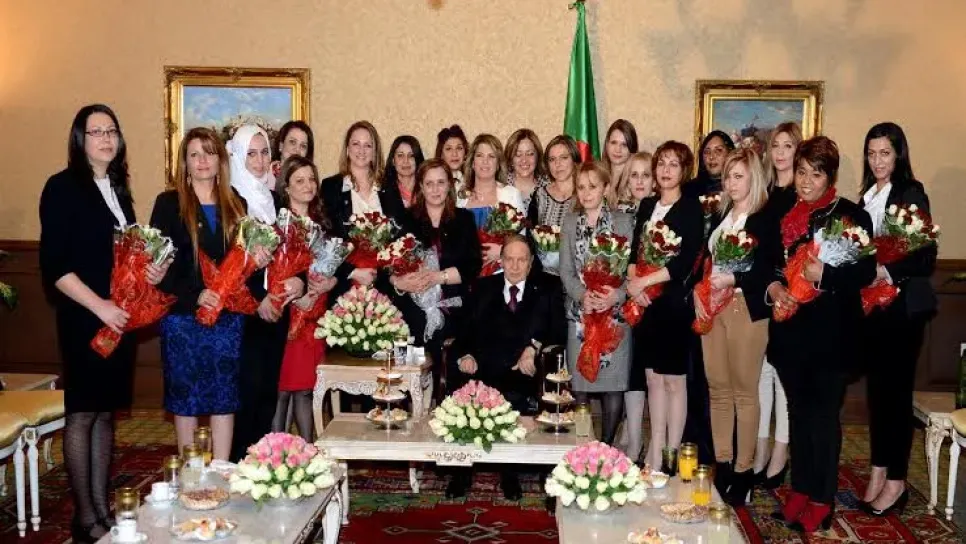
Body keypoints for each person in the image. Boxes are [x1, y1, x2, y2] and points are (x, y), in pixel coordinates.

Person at [40, 104, 167, 543]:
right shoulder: (62, 187)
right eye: (96, 132)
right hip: (85, 318)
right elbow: (56, 267)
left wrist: (151, 272)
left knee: (105, 414)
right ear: (80, 140)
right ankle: (84, 518)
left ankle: (100, 509)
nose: (106, 138)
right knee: (82, 414)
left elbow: (127, 256)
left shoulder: (118, 189)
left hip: (120, 318)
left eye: (111, 130)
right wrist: (101, 307)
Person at [766, 136, 876, 532]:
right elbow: (771, 265)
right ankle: (799, 489)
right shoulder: (785, 212)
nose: (806, 181)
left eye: (816, 174)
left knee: (823, 417)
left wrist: (824, 274)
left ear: (830, 177)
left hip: (832, 337)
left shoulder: (850, 216)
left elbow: (865, 272)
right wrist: (774, 288)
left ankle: (821, 498)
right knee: (798, 413)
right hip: (792, 334)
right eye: (801, 172)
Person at [151, 127, 256, 462]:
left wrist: (259, 258)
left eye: (209, 153)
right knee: (186, 401)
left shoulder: (236, 202)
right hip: (183, 318)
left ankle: (222, 469)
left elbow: (243, 261)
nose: (202, 161)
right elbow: (159, 267)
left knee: (225, 399)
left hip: (227, 317)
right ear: (184, 162)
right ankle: (190, 473)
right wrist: (195, 295)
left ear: (220, 159)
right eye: (194, 154)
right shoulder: (168, 204)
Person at [858, 122, 937, 516]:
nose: (878, 161)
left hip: (903, 310)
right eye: (872, 154)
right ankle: (878, 471)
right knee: (878, 395)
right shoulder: (866, 197)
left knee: (896, 396)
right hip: (873, 309)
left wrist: (886, 271)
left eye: (885, 153)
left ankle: (897, 481)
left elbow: (924, 255)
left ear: (898, 155)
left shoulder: (911, 192)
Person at [447, 234, 565, 499]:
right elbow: (462, 330)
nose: (514, 266)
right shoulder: (483, 287)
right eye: (509, 259)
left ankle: (509, 472)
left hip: (523, 371)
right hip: (483, 368)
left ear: (531, 262)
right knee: (462, 384)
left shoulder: (548, 287)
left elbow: (558, 331)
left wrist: (533, 348)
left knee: (514, 392)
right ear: (500, 261)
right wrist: (465, 354)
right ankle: (460, 470)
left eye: (521, 260)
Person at [696, 148, 773, 505]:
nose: (731, 182)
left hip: (744, 308)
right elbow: (705, 261)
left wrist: (734, 279)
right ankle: (723, 464)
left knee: (744, 392)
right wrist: (699, 291)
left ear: (753, 178)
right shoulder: (722, 215)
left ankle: (744, 471)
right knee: (718, 389)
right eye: (728, 176)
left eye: (739, 176)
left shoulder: (763, 218)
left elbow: (768, 270)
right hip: (714, 309)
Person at [229, 125, 305, 462]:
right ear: (237, 157)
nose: (259, 161)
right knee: (246, 395)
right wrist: (256, 300)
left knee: (267, 395)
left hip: (276, 309)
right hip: (245, 313)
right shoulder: (232, 200)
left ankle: (261, 466)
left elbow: (292, 251)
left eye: (264, 152)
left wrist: (299, 282)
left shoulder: (273, 199)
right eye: (251, 153)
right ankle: (239, 465)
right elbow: (227, 262)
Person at [627, 141, 704, 469]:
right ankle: (656, 449)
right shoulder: (647, 205)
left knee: (674, 380)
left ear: (684, 171)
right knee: (652, 380)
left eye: (674, 164)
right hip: (646, 306)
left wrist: (645, 281)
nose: (666, 170)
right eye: (662, 163)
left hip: (673, 305)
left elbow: (685, 263)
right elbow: (634, 252)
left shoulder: (691, 208)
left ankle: (672, 454)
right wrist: (634, 284)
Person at [390, 159, 482, 401]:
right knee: (412, 383)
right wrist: (401, 282)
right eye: (429, 183)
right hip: (412, 316)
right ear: (420, 186)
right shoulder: (405, 219)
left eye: (441, 182)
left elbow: (472, 266)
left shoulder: (464, 219)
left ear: (449, 185)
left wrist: (438, 277)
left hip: (453, 313)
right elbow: (388, 266)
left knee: (450, 386)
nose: (435, 189)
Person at [559, 162, 634, 447]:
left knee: (613, 387)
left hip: (614, 316)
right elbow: (566, 271)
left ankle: (605, 448)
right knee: (580, 386)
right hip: (581, 316)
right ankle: (583, 449)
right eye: (581, 187)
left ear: (606, 187)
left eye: (593, 186)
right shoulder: (569, 223)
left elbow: (633, 271)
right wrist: (583, 295)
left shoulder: (623, 222)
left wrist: (616, 295)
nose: (586, 193)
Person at [273, 156, 338, 442]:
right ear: (286, 187)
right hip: (287, 318)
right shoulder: (277, 226)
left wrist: (327, 285)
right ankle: (275, 453)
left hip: (315, 318)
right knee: (282, 390)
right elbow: (273, 273)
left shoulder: (323, 223)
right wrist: (298, 299)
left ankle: (307, 451)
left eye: (311, 179)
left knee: (306, 389)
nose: (308, 185)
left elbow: (335, 268)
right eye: (299, 180)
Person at [754, 121, 803, 489]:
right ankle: (760, 446)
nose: (781, 152)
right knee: (762, 374)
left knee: (784, 376)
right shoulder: (764, 193)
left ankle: (781, 450)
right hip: (763, 291)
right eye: (776, 146)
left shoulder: (803, 196)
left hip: (795, 295)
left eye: (788, 145)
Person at [320, 120, 406, 294]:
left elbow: (399, 237)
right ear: (347, 149)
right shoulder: (331, 187)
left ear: (375, 152)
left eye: (368, 145)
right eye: (356, 144)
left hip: (384, 285)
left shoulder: (389, 188)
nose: (361, 150)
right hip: (345, 286)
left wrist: (388, 274)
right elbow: (325, 240)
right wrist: (352, 272)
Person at [458, 134, 525, 273]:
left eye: (491, 156)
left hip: (501, 273)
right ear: (472, 162)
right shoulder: (459, 198)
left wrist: (502, 251)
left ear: (498, 163)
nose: (485, 161)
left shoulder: (511, 195)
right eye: (480, 156)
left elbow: (522, 240)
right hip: (466, 273)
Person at [528, 135, 579, 230]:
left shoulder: (586, 194)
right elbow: (530, 233)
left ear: (574, 160)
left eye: (564, 157)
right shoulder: (539, 195)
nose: (557, 164)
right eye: (552, 159)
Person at [505, 128, 549, 211]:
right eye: (518, 154)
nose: (524, 160)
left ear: (538, 156)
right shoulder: (500, 186)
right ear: (510, 159)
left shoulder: (549, 187)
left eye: (530, 154)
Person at [685, 130, 735, 199]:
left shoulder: (739, 187)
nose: (711, 157)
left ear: (730, 153)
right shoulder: (688, 190)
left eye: (718, 150)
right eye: (707, 152)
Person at [384, 135, 425, 207]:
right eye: (400, 155)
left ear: (418, 159)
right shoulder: (383, 191)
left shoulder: (427, 189)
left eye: (411, 156)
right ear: (393, 160)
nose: (406, 161)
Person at [601, 119, 639, 183]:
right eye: (614, 143)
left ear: (632, 149)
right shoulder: (598, 178)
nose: (618, 149)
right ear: (607, 144)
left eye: (624, 145)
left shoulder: (636, 182)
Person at [435, 124, 469, 190]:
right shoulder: (433, 182)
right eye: (449, 149)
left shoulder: (473, 181)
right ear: (441, 154)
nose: (454, 154)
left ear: (465, 153)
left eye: (459, 148)